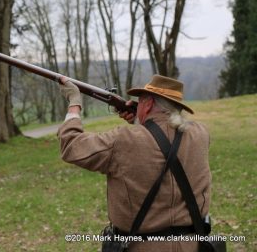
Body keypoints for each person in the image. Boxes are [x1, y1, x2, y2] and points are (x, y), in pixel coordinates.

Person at [58, 74, 211, 252]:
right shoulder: (201, 134)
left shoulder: (123, 140)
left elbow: (71, 145)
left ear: (147, 104)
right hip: (193, 246)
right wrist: (143, 120)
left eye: (141, 100)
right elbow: (164, 137)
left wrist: (74, 103)